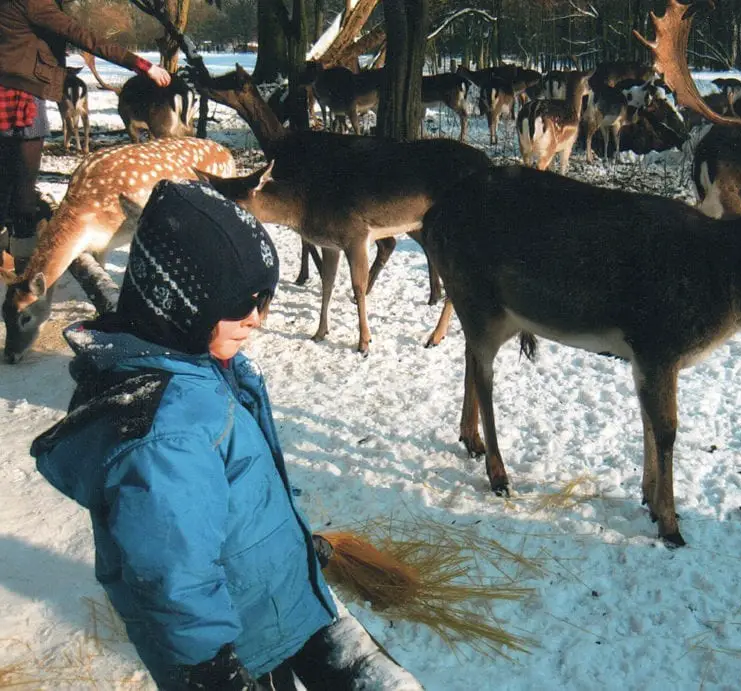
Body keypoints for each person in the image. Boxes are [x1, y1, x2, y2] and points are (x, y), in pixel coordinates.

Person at [31, 181, 423, 691]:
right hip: (234, 648)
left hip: (271, 605)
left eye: (262, 302)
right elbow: (174, 580)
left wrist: (291, 547)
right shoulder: (166, 434)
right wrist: (210, 670)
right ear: (183, 303)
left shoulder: (200, 365)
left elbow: (240, 492)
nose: (258, 320)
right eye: (243, 305)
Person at [0, 0, 172, 273]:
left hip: (6, 88)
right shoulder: (34, 3)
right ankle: (25, 271)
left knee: (6, 180)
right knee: (23, 186)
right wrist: (140, 64)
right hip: (21, 96)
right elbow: (84, 36)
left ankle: (7, 257)